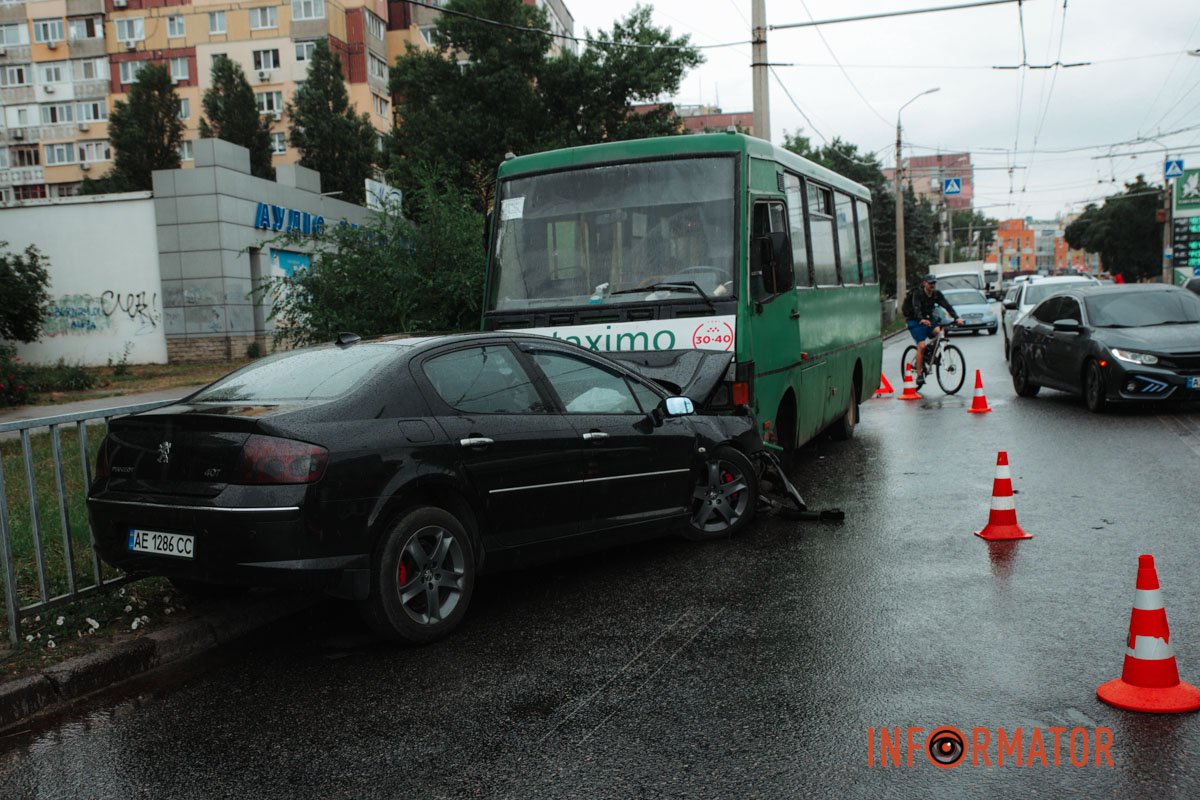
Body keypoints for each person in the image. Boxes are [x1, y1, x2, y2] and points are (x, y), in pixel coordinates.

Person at [903, 274, 963, 388]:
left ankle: (930, 354)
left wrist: (956, 317)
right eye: (930, 283)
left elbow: (947, 306)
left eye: (934, 283)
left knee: (938, 332)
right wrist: (921, 319)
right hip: (915, 321)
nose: (932, 285)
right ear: (924, 283)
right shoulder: (918, 293)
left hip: (929, 320)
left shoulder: (936, 294)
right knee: (921, 346)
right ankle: (919, 374)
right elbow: (916, 308)